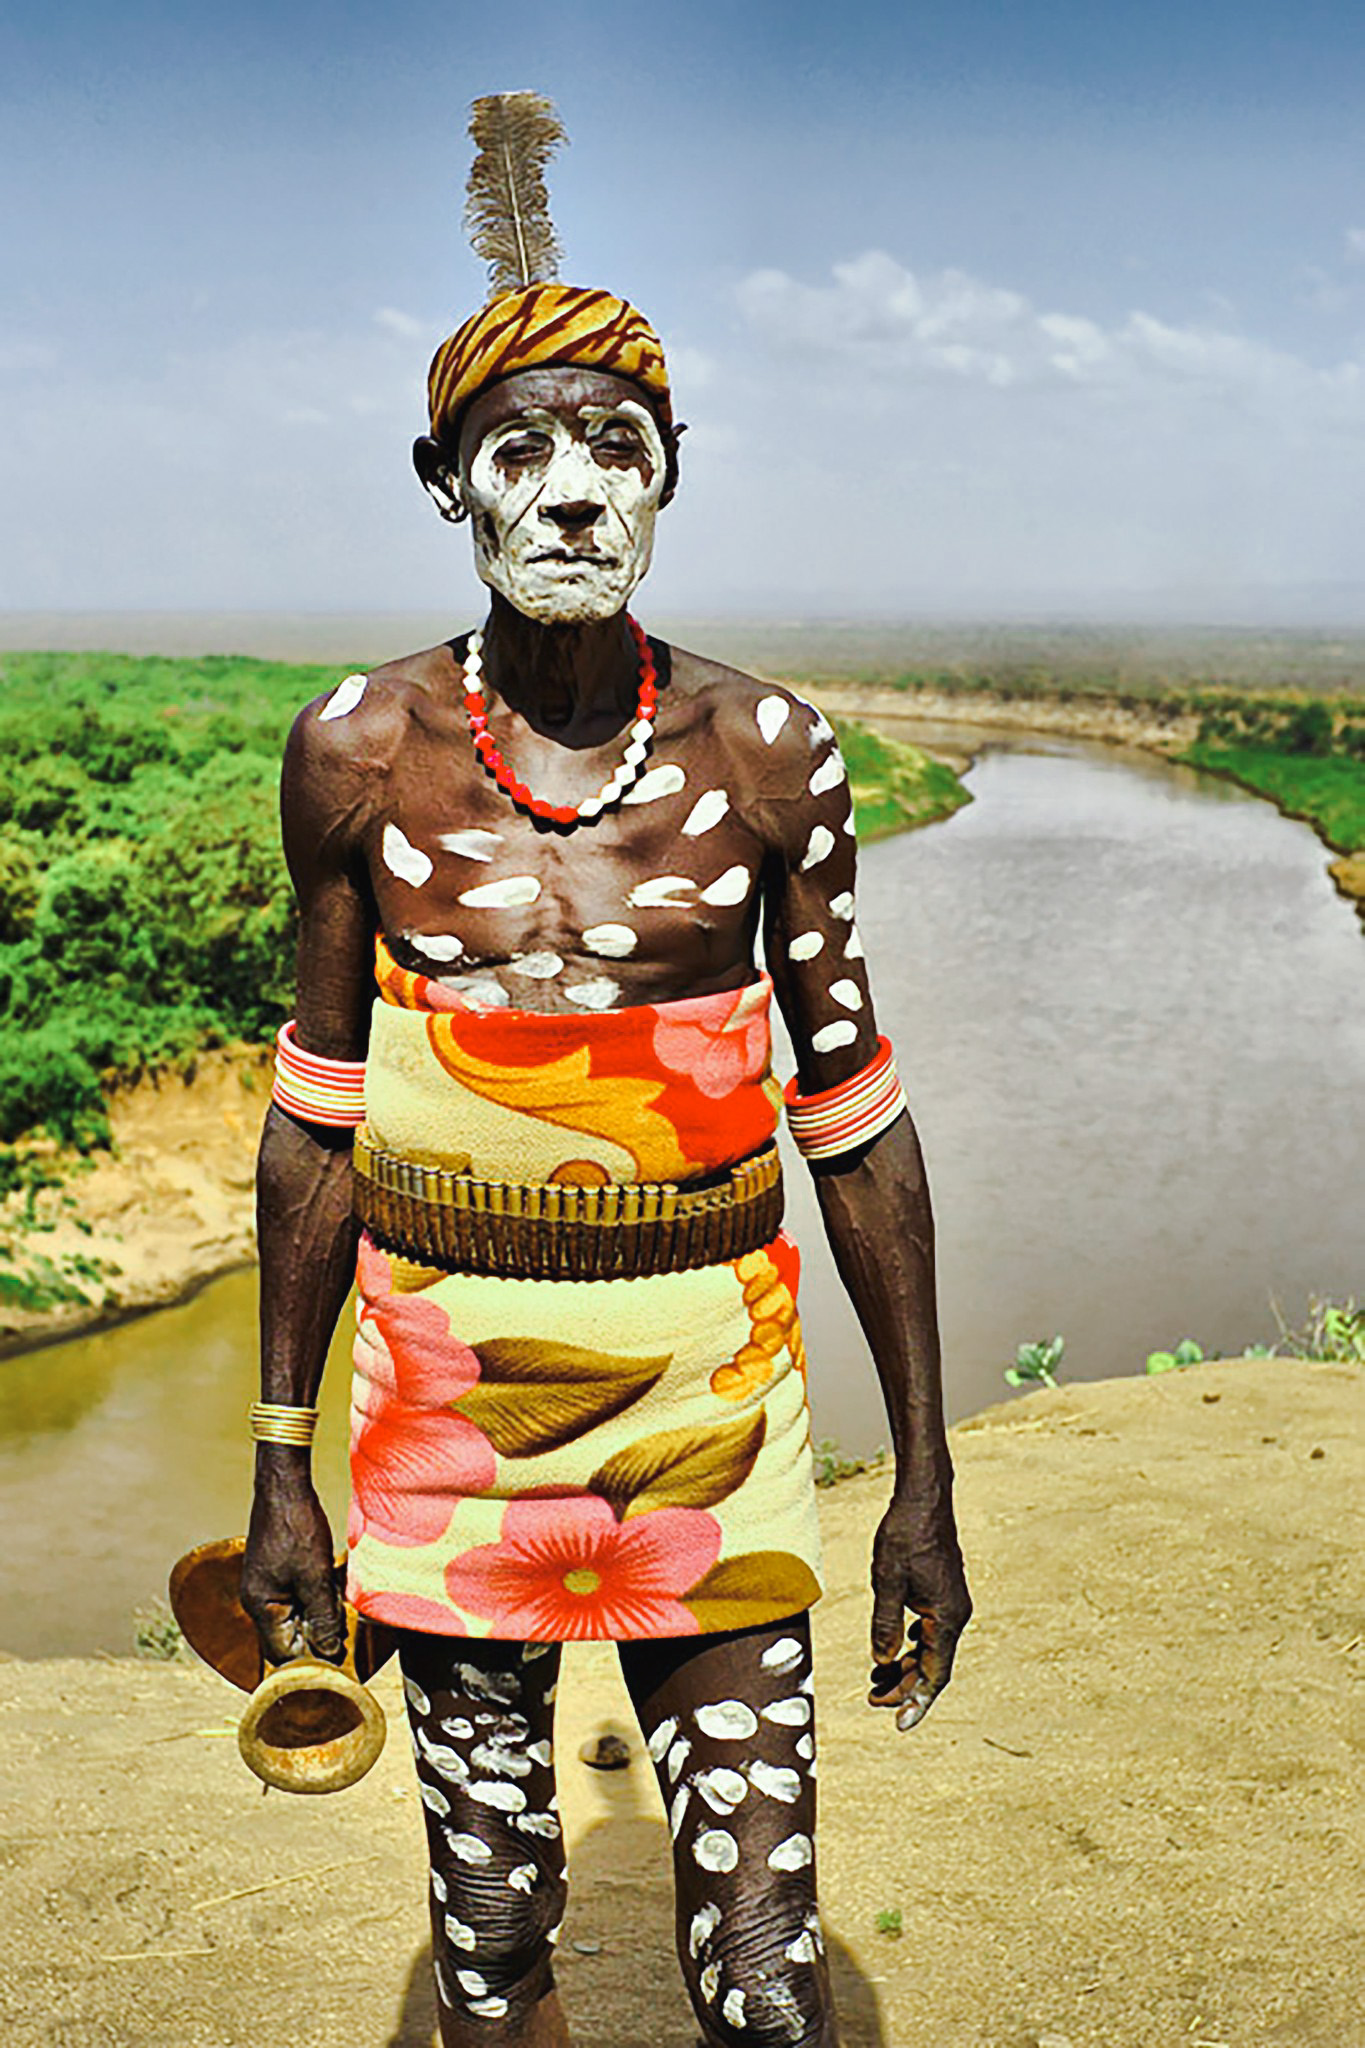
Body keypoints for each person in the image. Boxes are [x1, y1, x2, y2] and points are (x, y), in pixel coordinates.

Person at [241, 95, 970, 2048]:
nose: (571, 493)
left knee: (757, 1950)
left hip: (712, 1402)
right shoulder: (359, 754)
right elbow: (315, 1123)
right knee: (488, 1937)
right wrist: (279, 1460)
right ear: (445, 485)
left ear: (671, 483)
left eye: (615, 451)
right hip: (440, 1407)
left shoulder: (765, 758)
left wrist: (919, 1478)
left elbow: (856, 1127)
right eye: (519, 449)